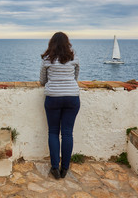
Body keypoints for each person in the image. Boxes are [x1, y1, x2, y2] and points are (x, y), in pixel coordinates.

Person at [39, 31, 80, 179]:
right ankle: (65, 168)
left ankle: (55, 168)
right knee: (67, 133)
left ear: (52, 44)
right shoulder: (74, 57)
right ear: (67, 43)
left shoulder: (47, 60)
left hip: (53, 98)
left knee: (53, 132)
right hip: (72, 98)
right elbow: (75, 77)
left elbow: (42, 81)